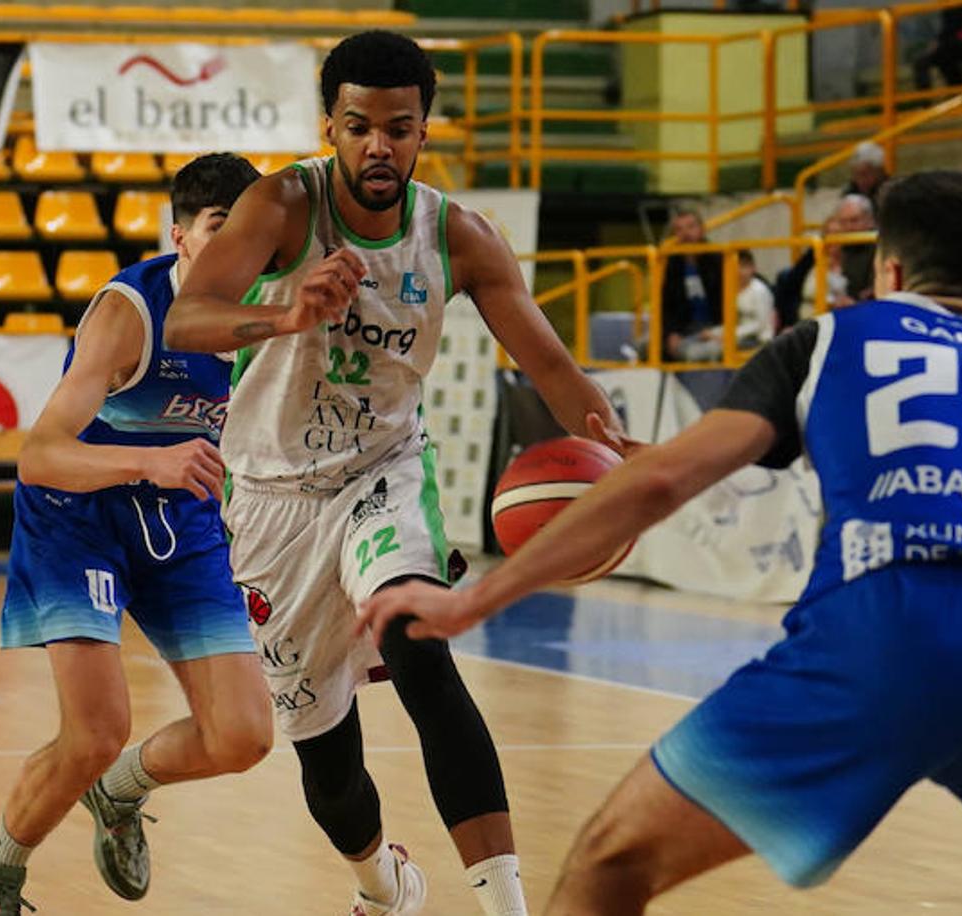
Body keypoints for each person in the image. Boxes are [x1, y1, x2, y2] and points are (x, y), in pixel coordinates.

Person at [359, 169, 962, 915]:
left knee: (614, 860)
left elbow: (664, 484)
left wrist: (478, 598)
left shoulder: (831, 339)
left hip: (888, 633)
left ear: (888, 271)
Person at [162, 30, 635, 916]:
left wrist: (615, 449)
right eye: (358, 126)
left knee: (420, 643)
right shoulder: (280, 207)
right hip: (269, 500)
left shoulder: (458, 235)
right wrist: (290, 310)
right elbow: (188, 321)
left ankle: (508, 908)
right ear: (330, 127)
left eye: (399, 127)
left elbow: (553, 367)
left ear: (424, 132)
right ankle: (384, 885)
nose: (378, 144)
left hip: (382, 469)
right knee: (329, 770)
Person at [0, 153, 272, 915]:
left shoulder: (272, 319)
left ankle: (119, 789)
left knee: (243, 737)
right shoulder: (130, 312)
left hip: (184, 516)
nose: (235, 249)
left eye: (250, 234)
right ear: (182, 236)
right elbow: (38, 457)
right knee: (95, 729)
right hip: (78, 515)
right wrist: (148, 459)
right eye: (217, 227)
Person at [660, 207, 724, 361]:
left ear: (702, 230)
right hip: (686, 329)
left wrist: (720, 332)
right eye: (679, 229)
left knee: (693, 353)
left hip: (715, 327)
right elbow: (667, 306)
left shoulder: (720, 259)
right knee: (645, 346)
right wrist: (671, 333)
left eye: (691, 227)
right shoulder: (671, 264)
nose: (686, 233)